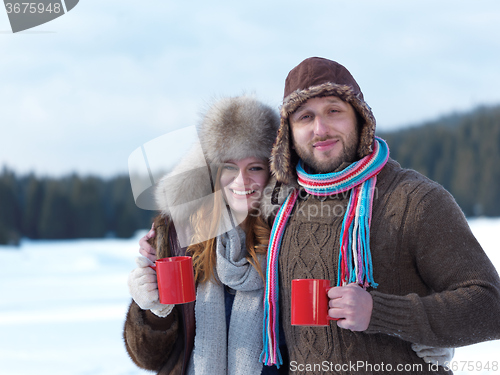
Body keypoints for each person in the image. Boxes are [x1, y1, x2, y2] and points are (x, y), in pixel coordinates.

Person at [259, 57, 500, 374]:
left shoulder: (415, 200)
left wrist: (382, 313)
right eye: (305, 117)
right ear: (289, 133)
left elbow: (490, 307)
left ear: (359, 118)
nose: (320, 129)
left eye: (334, 110)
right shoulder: (281, 208)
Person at [123, 95, 288, 375]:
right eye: (229, 168)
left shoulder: (289, 235)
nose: (242, 181)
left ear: (273, 172)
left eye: (255, 168)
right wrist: (152, 311)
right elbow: (149, 358)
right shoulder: (180, 235)